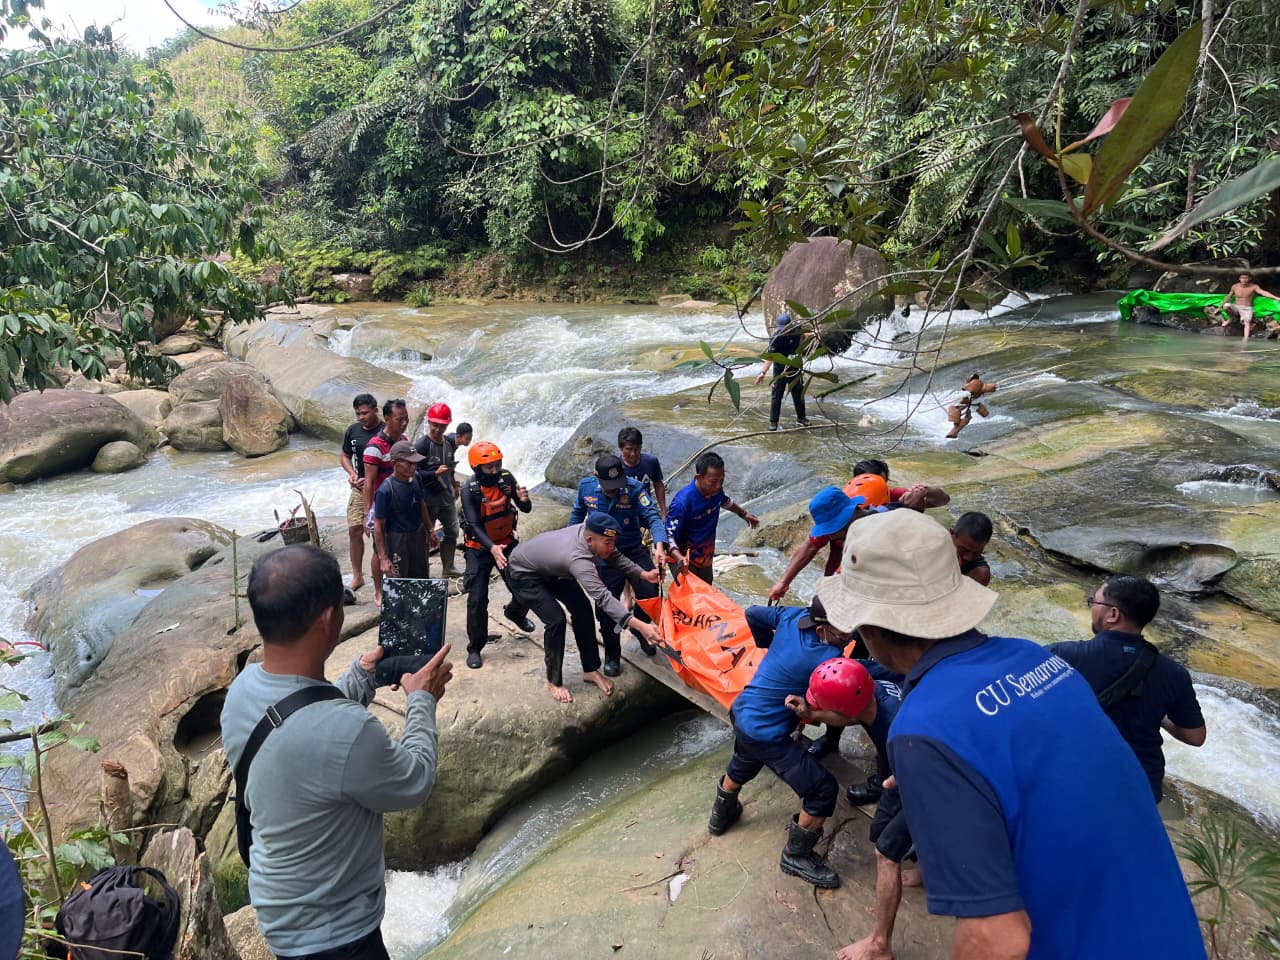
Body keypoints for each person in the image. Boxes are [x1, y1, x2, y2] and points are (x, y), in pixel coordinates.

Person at [816, 509, 1206, 960]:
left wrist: (931, 757)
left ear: (867, 627)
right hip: (1169, 932)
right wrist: (950, 774)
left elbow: (998, 940)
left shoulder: (922, 727)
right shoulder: (1039, 661)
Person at [221, 544, 453, 959]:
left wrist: (361, 676)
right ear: (329, 619)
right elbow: (414, 781)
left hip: (282, 913)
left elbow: (299, 725)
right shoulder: (347, 731)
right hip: (338, 936)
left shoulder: (243, 689)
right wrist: (422, 700)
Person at [706, 599, 862, 888]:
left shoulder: (793, 617)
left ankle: (720, 815)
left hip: (742, 709)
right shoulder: (827, 659)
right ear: (823, 627)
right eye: (844, 633)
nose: (850, 637)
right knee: (822, 790)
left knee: (746, 757)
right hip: (767, 730)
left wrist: (768, 646)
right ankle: (796, 855)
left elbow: (752, 612)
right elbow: (840, 709)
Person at [1048, 576, 1206, 802]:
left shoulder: (1062, 656)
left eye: (1094, 602)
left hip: (1079, 780)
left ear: (1113, 614)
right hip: (1142, 786)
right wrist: (1158, 716)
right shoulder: (1174, 673)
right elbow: (1195, 736)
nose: (1092, 608)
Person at [506, 512, 664, 703]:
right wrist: (642, 626)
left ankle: (590, 670)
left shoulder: (591, 535)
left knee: (582, 610)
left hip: (552, 570)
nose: (611, 547)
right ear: (590, 540)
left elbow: (615, 556)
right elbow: (604, 598)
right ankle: (554, 681)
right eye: (608, 543)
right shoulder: (578, 560)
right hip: (523, 574)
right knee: (556, 620)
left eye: (613, 542)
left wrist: (643, 574)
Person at [568, 453, 669, 674]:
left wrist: (660, 545)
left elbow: (652, 517)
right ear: (596, 477)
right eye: (609, 486)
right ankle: (612, 654)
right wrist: (570, 546)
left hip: (633, 549)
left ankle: (640, 628)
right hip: (604, 557)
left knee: (649, 590)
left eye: (617, 485)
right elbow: (576, 515)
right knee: (605, 608)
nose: (614, 490)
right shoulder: (586, 488)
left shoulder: (634, 489)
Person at [459, 440, 535, 670]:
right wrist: (491, 547)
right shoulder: (469, 489)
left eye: (496, 465)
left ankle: (515, 613)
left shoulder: (506, 478)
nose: (493, 471)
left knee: (525, 587)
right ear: (476, 468)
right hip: (479, 548)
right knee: (477, 599)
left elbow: (525, 509)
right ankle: (475, 647)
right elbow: (473, 523)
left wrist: (524, 499)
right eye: (488, 467)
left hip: (506, 542)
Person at [666, 451, 760, 584]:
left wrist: (743, 514)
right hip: (684, 558)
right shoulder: (682, 502)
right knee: (691, 597)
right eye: (713, 481)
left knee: (706, 591)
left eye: (721, 480)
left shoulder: (715, 491)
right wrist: (679, 558)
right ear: (699, 477)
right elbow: (668, 536)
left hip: (705, 557)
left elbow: (725, 501)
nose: (718, 485)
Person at [768, 486, 872, 604]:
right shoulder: (842, 527)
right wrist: (783, 582)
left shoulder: (877, 530)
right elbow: (809, 546)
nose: (830, 536)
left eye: (832, 528)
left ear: (848, 514)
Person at [363, 399, 410, 605]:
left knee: (399, 546)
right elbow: (369, 482)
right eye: (400, 419)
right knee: (378, 550)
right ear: (387, 419)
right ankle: (378, 589)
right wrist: (367, 515)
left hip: (402, 504)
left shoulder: (404, 440)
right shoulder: (374, 447)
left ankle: (399, 583)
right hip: (382, 506)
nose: (404, 423)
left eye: (406, 419)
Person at [373, 441, 436, 580]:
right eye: (408, 463)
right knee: (400, 581)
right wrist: (383, 557)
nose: (413, 467)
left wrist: (430, 530)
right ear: (394, 463)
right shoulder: (385, 490)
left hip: (418, 535)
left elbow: (421, 504)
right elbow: (378, 525)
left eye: (415, 463)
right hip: (397, 539)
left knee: (421, 577)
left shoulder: (416, 478)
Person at [414, 403, 462, 578]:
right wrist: (434, 473)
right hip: (428, 499)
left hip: (446, 497)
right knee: (425, 536)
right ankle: (422, 572)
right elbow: (413, 472)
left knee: (452, 531)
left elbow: (450, 465)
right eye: (435, 424)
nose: (438, 428)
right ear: (429, 422)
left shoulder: (449, 443)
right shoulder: (422, 445)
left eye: (442, 425)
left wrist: (453, 484)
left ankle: (448, 567)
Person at [341, 393, 381, 595]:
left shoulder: (384, 431)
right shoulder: (353, 431)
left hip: (379, 489)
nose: (361, 417)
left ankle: (380, 577)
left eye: (364, 413)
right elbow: (345, 456)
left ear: (375, 409)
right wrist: (352, 473)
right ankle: (357, 575)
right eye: (358, 414)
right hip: (358, 489)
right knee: (354, 530)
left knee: (379, 533)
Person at [754, 311, 812, 431]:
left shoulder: (796, 330)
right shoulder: (775, 338)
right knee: (777, 395)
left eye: (785, 328)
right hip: (780, 369)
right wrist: (763, 373)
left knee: (798, 393)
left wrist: (814, 334)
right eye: (781, 328)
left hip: (795, 367)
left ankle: (802, 418)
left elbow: (805, 333)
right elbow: (770, 357)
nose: (783, 331)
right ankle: (773, 422)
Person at [852, 458, 950, 511]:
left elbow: (943, 500)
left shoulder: (897, 496)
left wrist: (926, 491)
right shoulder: (846, 503)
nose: (876, 489)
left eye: (882, 484)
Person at [617, 426, 667, 517]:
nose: (633, 454)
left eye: (636, 449)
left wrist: (663, 512)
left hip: (644, 508)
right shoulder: (616, 466)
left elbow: (658, 485)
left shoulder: (651, 462)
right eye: (629, 449)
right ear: (621, 448)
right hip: (622, 511)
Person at [1216, 271, 1279, 340]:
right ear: (1239, 278)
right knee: (1226, 306)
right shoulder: (1235, 286)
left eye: (1246, 278)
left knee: (1247, 322)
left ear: (1249, 279)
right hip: (1236, 307)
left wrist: (1276, 298)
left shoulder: (1254, 286)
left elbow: (1263, 293)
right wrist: (1219, 307)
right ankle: (1231, 318)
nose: (1244, 280)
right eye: (1242, 278)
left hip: (1247, 308)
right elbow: (1228, 297)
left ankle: (1245, 339)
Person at [951, 511, 993, 587]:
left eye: (976, 552)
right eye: (964, 549)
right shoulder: (931, 545)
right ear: (952, 534)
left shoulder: (979, 573)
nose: (968, 557)